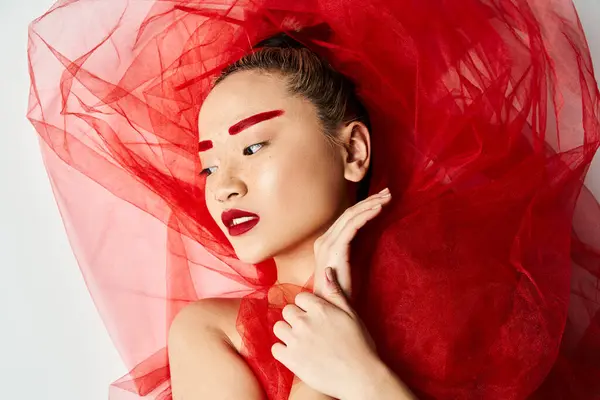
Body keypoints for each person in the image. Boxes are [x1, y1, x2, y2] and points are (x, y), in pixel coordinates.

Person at [27, 0, 600, 399]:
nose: (223, 185)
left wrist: (366, 378)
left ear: (353, 150)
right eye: (207, 164)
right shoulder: (213, 332)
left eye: (252, 147)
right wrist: (320, 356)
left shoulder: (462, 289)